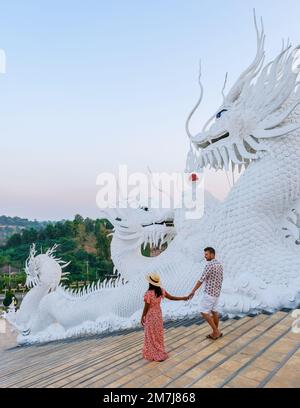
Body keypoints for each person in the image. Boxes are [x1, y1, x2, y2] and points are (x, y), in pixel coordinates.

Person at [141, 272, 189, 362]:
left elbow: (146, 307)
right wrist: (183, 298)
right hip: (158, 315)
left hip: (151, 316)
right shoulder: (161, 291)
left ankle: (152, 353)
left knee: (151, 334)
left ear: (150, 283)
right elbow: (172, 298)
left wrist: (142, 316)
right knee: (158, 334)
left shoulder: (148, 294)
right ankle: (159, 351)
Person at [189, 247, 224, 340]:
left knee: (204, 312)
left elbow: (201, 279)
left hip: (209, 294)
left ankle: (216, 331)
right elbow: (221, 279)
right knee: (214, 311)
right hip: (216, 294)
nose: (205, 257)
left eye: (207, 254)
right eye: (205, 255)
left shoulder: (210, 265)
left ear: (212, 254)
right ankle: (215, 332)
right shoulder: (219, 265)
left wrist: (193, 291)